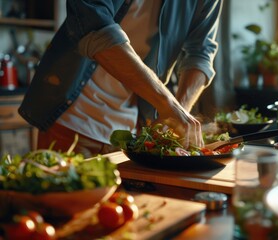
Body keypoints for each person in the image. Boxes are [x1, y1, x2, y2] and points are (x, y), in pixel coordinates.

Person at [19, 0, 222, 157]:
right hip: (71, 121)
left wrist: (178, 115)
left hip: (132, 135)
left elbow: (201, 53)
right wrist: (168, 103)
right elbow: (94, 26)